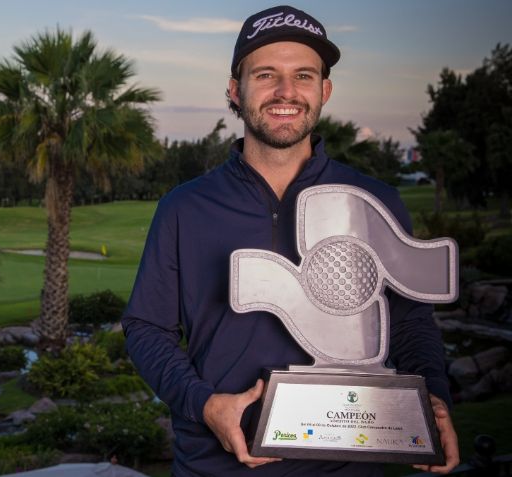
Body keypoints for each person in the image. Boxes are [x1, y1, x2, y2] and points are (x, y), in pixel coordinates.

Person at [121, 5, 459, 476]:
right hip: (216, 467)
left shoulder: (373, 200)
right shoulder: (185, 207)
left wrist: (434, 397)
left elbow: (409, 322)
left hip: (351, 465)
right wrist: (203, 404)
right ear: (235, 90)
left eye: (303, 75)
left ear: (324, 90)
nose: (286, 92)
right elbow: (145, 327)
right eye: (266, 75)